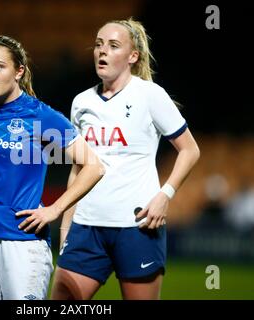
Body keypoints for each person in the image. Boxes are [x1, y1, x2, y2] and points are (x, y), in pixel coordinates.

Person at [0, 35, 104, 300]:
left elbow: (94, 166)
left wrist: (54, 210)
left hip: (24, 242)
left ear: (18, 71)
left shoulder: (40, 115)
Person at [51, 17, 200, 300]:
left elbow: (190, 150)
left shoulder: (150, 95)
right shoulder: (81, 102)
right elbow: (78, 168)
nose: (102, 51)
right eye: (98, 44)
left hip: (137, 226)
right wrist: (66, 226)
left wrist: (164, 195)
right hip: (87, 227)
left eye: (113, 45)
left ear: (133, 56)